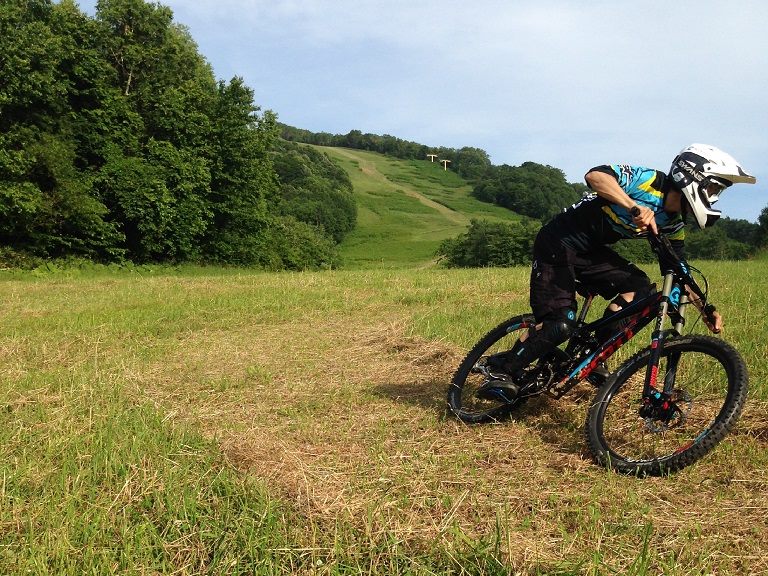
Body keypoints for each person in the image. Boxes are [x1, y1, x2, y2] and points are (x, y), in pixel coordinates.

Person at [478, 143, 757, 401]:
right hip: (558, 241)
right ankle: (503, 369)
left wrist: (706, 308)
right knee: (559, 323)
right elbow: (595, 176)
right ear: (694, 177)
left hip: (590, 252)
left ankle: (592, 355)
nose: (713, 197)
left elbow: (677, 268)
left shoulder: (674, 224)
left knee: (642, 289)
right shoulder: (649, 181)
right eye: (714, 189)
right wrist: (634, 206)